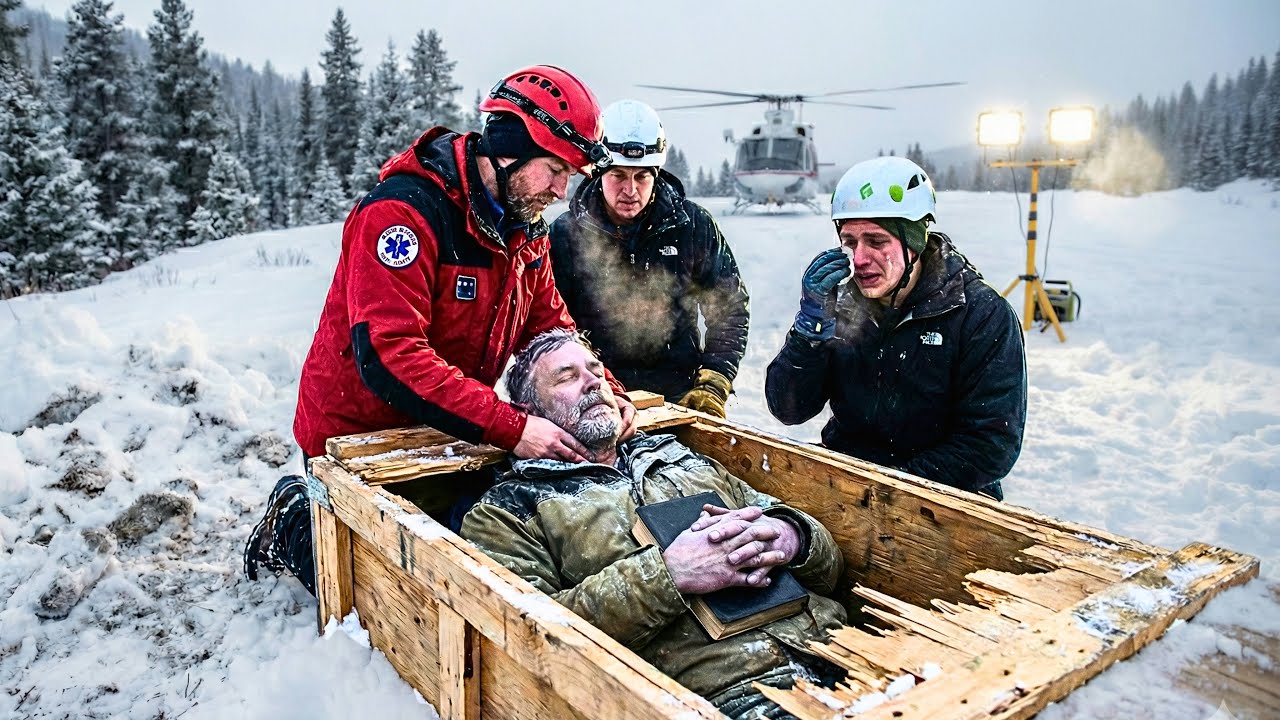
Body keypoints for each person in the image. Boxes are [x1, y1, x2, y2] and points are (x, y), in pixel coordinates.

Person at [244, 65, 640, 594]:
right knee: (380, 592)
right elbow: (390, 355)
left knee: (467, 552)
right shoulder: (403, 216)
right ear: (509, 149)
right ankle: (294, 517)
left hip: (445, 426)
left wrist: (609, 395)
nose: (561, 190)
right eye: (553, 169)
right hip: (359, 434)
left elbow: (550, 325)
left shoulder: (523, 230)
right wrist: (513, 427)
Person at [462, 329, 846, 719]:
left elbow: (829, 569)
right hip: (726, 696)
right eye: (567, 377)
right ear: (530, 410)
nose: (594, 382)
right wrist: (670, 574)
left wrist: (791, 536)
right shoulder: (509, 510)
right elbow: (532, 633)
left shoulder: (680, 456)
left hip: (847, 653)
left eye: (595, 369)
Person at [765, 156, 1026, 500]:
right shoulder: (840, 306)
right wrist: (808, 330)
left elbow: (991, 443)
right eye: (850, 241)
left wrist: (890, 488)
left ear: (914, 241)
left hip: (945, 497)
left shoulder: (980, 315)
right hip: (849, 478)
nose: (858, 259)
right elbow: (788, 409)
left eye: (876, 241)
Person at [548, 99, 749, 417]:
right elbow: (549, 325)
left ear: (656, 174)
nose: (630, 190)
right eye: (618, 175)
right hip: (592, 396)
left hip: (678, 399)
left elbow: (729, 309)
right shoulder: (564, 234)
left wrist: (713, 382)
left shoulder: (693, 225)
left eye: (641, 176)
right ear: (599, 173)